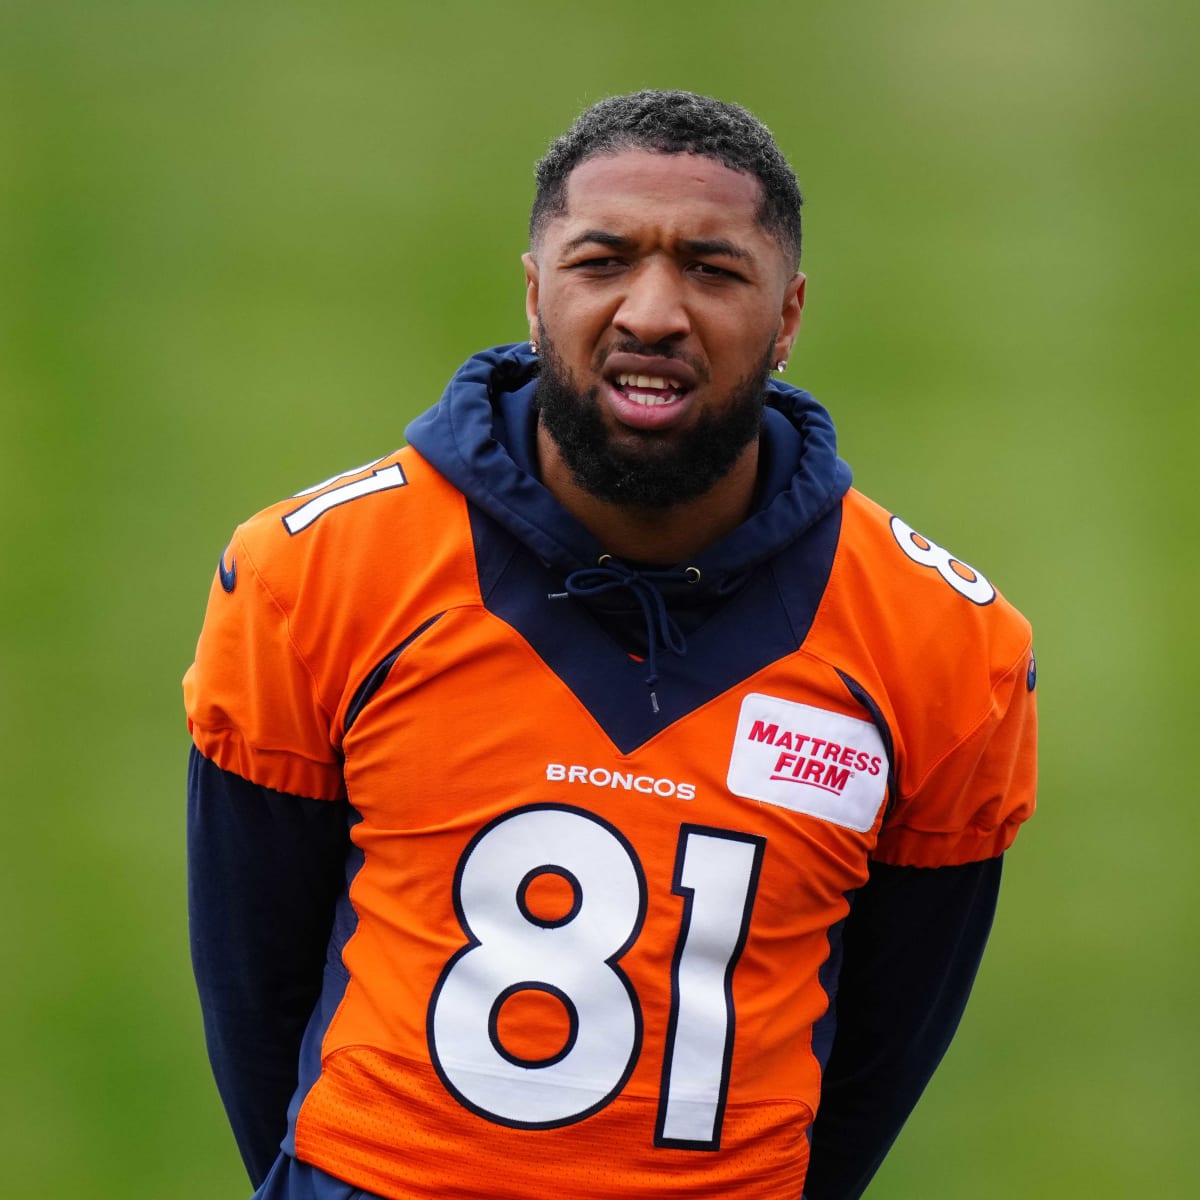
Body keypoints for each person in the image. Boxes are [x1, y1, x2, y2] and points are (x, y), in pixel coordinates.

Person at [184, 89, 1037, 1200]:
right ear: (536, 294)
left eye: (713, 270)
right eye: (603, 261)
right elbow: (257, 1002)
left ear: (787, 317)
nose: (652, 311)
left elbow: (882, 1049)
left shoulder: (945, 642)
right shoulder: (320, 573)